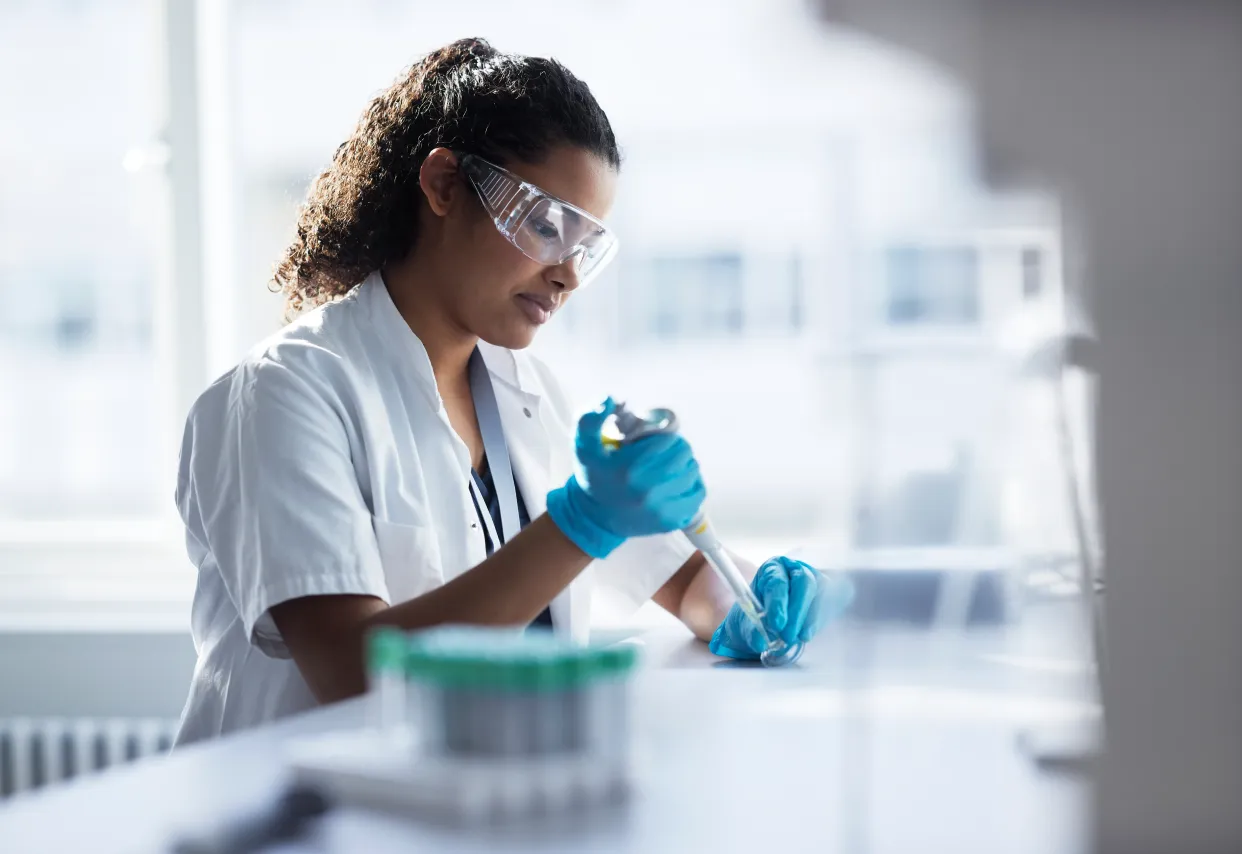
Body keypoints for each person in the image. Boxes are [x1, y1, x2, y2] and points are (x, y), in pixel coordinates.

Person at [173, 37, 852, 745]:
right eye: (545, 224)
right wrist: (583, 522)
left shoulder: (526, 395)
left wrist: (752, 601)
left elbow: (683, 582)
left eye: (584, 243)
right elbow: (352, 671)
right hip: (292, 824)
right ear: (442, 186)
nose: (568, 275)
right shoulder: (283, 395)